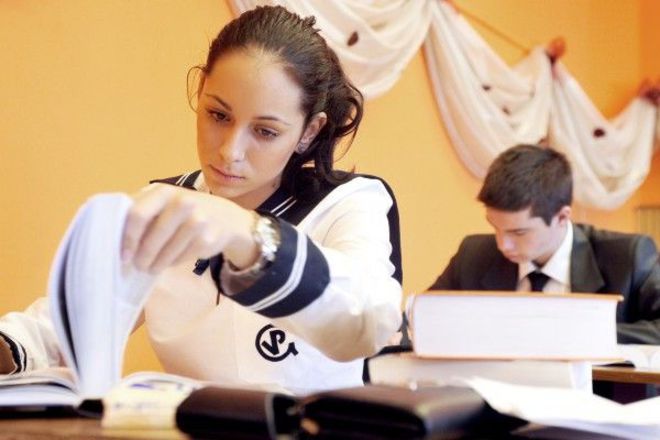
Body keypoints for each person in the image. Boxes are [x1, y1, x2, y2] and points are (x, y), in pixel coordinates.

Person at [0, 5, 403, 394]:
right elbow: (63, 327)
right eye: (218, 115)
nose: (230, 151)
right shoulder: (167, 205)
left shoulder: (349, 203)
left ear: (309, 132)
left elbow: (369, 323)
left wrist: (244, 233)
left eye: (265, 132)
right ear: (201, 91)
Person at [430, 144, 660, 344]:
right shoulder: (473, 255)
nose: (502, 244)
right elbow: (425, 319)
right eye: (495, 227)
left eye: (518, 232)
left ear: (562, 217)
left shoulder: (629, 257)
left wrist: (564, 333)